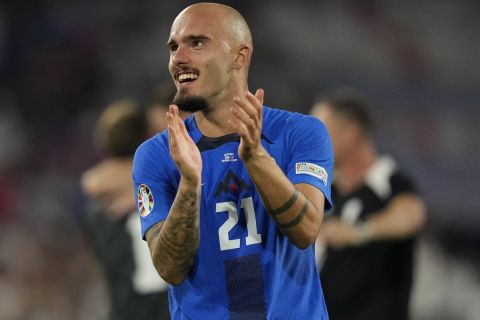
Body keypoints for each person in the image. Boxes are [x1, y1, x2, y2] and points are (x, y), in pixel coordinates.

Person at [132, 3, 334, 319]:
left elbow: (306, 230)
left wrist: (255, 157)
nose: (178, 58)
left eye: (196, 43)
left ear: (239, 56)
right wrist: (189, 184)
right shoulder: (157, 154)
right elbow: (169, 269)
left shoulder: (299, 133)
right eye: (174, 47)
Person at [311, 89, 426, 320]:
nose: (312, 141)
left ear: (350, 133)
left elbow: (411, 216)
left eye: (321, 131)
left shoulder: (391, 181)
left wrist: (359, 231)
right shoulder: (325, 189)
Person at [81, 100, 172, 320]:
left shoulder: (95, 209)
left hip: (125, 310)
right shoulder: (164, 186)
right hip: (168, 307)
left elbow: (92, 181)